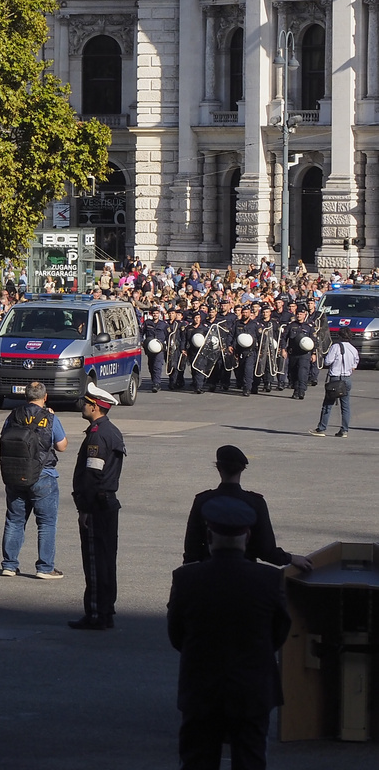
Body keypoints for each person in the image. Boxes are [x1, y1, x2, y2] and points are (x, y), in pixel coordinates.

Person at [166, 496, 291, 770]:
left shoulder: (186, 579)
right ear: (247, 536)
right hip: (252, 688)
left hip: (201, 688)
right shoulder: (269, 579)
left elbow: (176, 635)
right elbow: (280, 632)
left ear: (209, 535)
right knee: (250, 759)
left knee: (197, 760)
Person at [181, 445, 313, 570]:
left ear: (218, 468)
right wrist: (290, 558)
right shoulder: (255, 503)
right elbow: (266, 550)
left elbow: (191, 547)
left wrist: (189, 575)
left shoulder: (202, 500)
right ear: (242, 469)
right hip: (246, 572)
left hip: (208, 572)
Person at [70, 382, 127, 630]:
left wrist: (84, 508)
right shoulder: (111, 431)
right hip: (107, 503)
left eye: (86, 402)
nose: (82, 405)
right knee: (106, 560)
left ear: (95, 407)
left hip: (97, 504)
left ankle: (95, 613)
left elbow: (93, 474)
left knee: (94, 560)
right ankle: (106, 610)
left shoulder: (97, 434)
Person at [0, 381, 68, 578]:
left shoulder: (14, 415)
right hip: (43, 474)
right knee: (46, 523)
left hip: (14, 473)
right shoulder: (49, 418)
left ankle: (9, 565)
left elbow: (5, 436)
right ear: (45, 397)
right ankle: (45, 568)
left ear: (25, 396)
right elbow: (62, 446)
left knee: (14, 520)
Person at [313, 328, 356, 437]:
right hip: (347, 378)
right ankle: (344, 430)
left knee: (328, 404)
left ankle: (322, 428)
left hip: (336, 378)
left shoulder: (336, 347)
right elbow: (354, 365)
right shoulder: (353, 349)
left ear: (340, 336)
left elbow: (328, 361)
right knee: (345, 406)